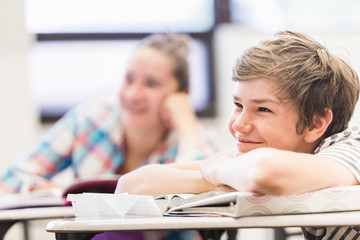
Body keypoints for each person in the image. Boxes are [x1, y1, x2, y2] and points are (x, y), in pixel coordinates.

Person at [115, 31, 360, 240]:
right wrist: (223, 177)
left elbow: (266, 173)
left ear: (316, 124)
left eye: (263, 109)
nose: (238, 125)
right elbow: (130, 185)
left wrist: (221, 172)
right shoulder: (250, 163)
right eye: (238, 105)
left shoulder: (353, 146)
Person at [0, 33, 217, 240]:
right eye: (129, 79)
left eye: (152, 84)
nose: (133, 94)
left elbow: (208, 193)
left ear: (181, 93)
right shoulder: (92, 118)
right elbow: (12, 179)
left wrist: (185, 121)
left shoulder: (192, 136)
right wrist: (65, 195)